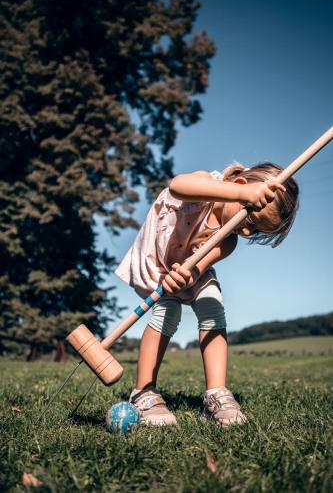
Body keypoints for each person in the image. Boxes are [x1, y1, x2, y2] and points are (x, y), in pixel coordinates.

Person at [115, 162, 299, 426]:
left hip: (187, 269)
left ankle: (216, 394)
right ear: (240, 188)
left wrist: (188, 274)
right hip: (157, 262)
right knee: (168, 311)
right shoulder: (204, 185)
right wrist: (242, 197)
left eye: (256, 231)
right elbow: (178, 185)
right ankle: (144, 392)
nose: (247, 231)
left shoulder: (229, 239)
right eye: (250, 219)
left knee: (212, 304)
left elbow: (198, 267)